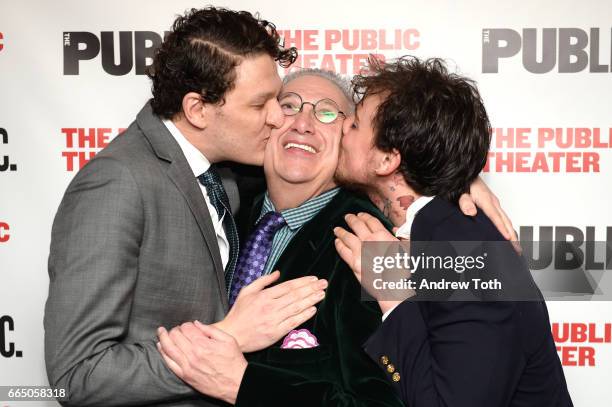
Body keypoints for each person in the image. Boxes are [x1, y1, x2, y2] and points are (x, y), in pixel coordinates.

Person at [156, 69, 519, 406]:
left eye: (329, 115)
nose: (302, 123)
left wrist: (242, 383)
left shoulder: (372, 247)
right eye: (288, 107)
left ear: (354, 143)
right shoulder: (218, 202)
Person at [44, 7, 328, 407]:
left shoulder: (222, 175)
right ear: (197, 109)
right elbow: (76, 376)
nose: (279, 118)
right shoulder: (117, 183)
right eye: (259, 104)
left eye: (277, 100)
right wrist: (228, 337)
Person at [334, 56, 573, 406]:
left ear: (388, 161)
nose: (342, 128)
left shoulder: (466, 254)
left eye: (355, 124)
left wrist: (394, 295)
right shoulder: (436, 227)